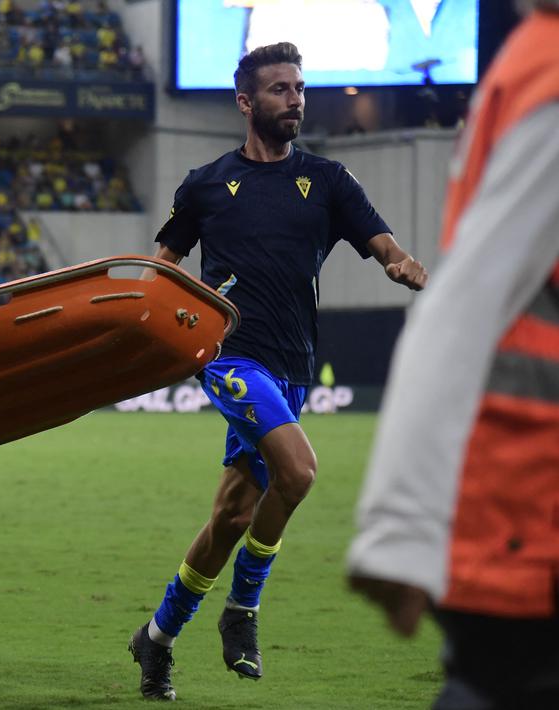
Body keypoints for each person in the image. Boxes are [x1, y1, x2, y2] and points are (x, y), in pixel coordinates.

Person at [127, 42, 428, 701]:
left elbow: (382, 243)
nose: (294, 97)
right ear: (245, 102)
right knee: (298, 472)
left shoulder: (327, 182)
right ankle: (242, 612)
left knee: (230, 520)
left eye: (298, 87)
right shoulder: (206, 184)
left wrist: (400, 263)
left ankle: (155, 638)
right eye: (279, 89)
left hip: (293, 368)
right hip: (230, 359)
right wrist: (163, 328)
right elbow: (163, 267)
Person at [347, 3, 559, 708]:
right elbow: (465, 297)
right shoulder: (548, 73)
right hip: (526, 514)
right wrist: (400, 528)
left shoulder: (528, 63)